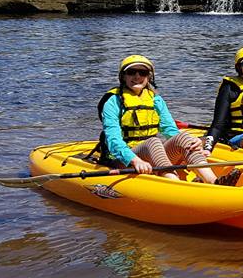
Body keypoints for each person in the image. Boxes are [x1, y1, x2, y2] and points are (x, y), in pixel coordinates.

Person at [96, 55, 232, 185]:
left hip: (150, 154)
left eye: (142, 73)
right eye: (131, 72)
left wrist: (191, 142)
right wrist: (135, 160)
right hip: (124, 159)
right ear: (123, 76)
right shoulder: (113, 102)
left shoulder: (155, 99)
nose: (137, 76)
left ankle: (213, 181)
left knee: (184, 137)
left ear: (148, 77)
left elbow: (170, 130)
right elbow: (113, 140)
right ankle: (175, 183)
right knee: (154, 142)